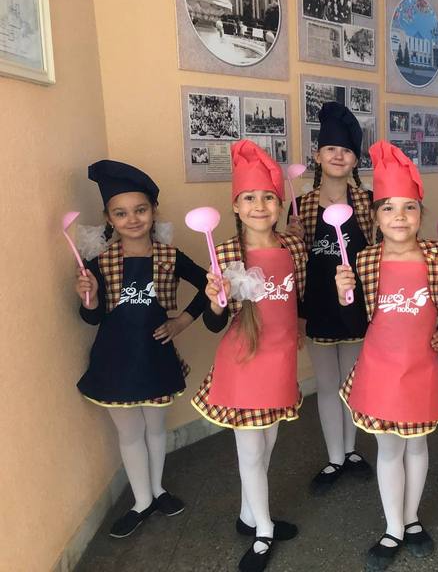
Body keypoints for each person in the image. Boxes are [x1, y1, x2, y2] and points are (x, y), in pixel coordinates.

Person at [335, 141, 438, 571]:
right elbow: (357, 321)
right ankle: (393, 527)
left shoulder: (437, 256)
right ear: (375, 217)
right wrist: (344, 294)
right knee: (389, 449)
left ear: (420, 214)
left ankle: (412, 520)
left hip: (422, 367)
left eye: (409, 208)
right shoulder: (365, 260)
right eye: (389, 208)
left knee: (417, 446)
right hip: (380, 368)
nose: (399, 217)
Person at [75, 160, 208, 538]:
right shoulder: (98, 263)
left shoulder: (170, 256)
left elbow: (208, 285)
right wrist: (88, 298)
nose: (132, 219)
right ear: (109, 218)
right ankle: (141, 501)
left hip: (155, 358)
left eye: (140, 210)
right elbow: (92, 317)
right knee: (130, 433)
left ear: (153, 211)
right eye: (121, 213)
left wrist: (182, 321)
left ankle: (159, 489)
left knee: (155, 427)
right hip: (115, 362)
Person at [191, 140, 306, 572]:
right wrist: (215, 301)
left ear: (279, 204)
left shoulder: (294, 248)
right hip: (243, 362)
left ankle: (249, 515)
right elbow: (214, 322)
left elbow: (299, 298)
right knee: (251, 452)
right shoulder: (224, 253)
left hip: (280, 359)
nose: (260, 206)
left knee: (268, 442)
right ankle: (263, 532)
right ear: (235, 206)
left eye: (268, 198)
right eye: (250, 198)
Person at [284, 102, 374, 489]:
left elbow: (380, 254)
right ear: (318, 156)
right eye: (331, 149)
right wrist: (292, 239)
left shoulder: (368, 203)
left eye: (346, 150)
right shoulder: (300, 207)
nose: (338, 156)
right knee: (326, 384)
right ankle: (335, 457)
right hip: (317, 306)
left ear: (355, 159)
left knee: (351, 381)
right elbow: (293, 265)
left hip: (357, 308)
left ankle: (351, 451)